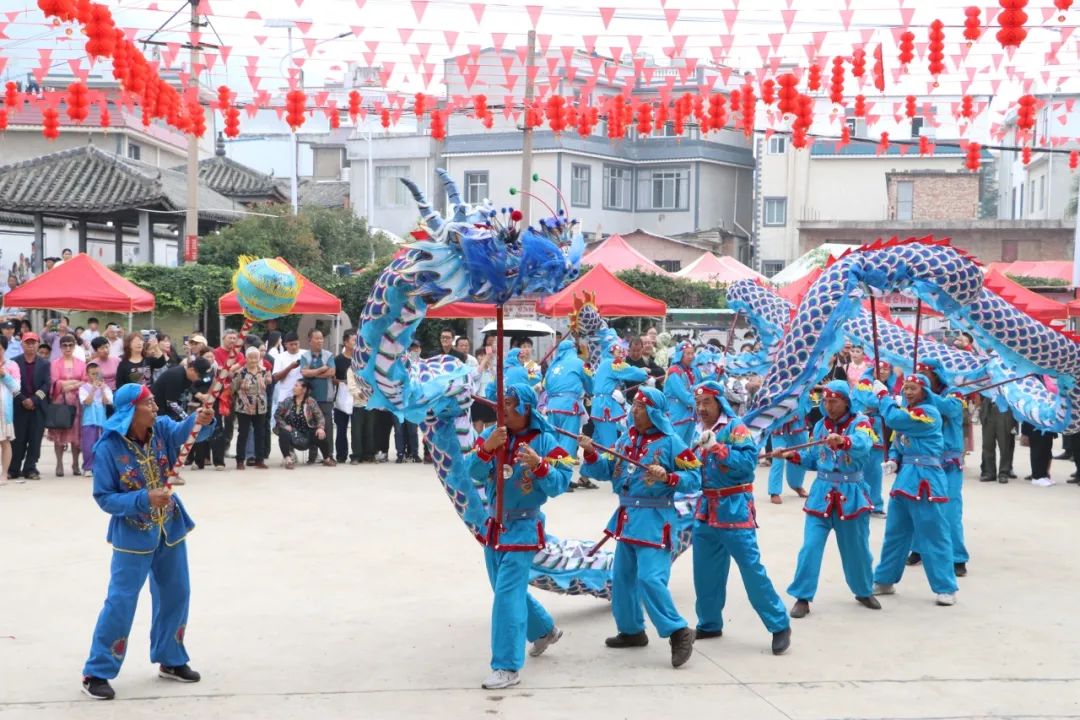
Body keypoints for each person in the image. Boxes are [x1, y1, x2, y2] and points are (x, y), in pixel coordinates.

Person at [79, 384, 216, 701]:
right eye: (149, 403)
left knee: (177, 593)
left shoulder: (162, 429)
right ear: (131, 410)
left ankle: (171, 658)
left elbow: (188, 432)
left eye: (154, 402)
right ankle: (96, 671)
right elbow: (104, 498)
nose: (155, 407)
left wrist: (202, 419)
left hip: (170, 527)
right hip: (132, 535)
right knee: (121, 601)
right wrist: (143, 498)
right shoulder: (108, 448)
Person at [579, 387, 701, 668]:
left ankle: (678, 631)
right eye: (633, 405)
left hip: (654, 520)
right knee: (622, 579)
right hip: (627, 519)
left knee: (650, 578)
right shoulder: (626, 439)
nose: (634, 411)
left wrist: (669, 477)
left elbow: (695, 477)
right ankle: (632, 630)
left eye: (640, 407)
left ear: (654, 412)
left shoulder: (672, 442)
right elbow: (607, 471)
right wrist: (591, 453)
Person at [468, 383, 572, 689]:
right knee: (503, 589)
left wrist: (540, 466)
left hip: (523, 528)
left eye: (510, 404)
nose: (503, 409)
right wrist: (487, 449)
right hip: (494, 526)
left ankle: (507, 666)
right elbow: (471, 472)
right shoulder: (493, 434)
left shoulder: (545, 440)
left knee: (506, 595)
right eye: (501, 403)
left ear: (526, 407)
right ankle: (543, 630)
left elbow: (561, 484)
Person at [691, 382, 791, 655]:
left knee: (751, 570)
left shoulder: (736, 428)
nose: (701, 408)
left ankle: (779, 624)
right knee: (704, 572)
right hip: (705, 508)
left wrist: (718, 449)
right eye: (698, 403)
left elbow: (747, 466)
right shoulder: (697, 429)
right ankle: (709, 623)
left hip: (734, 508)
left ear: (719, 403)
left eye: (707, 402)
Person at [776, 380, 879, 619]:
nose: (829, 406)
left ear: (846, 402)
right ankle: (802, 596)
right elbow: (814, 459)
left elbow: (864, 444)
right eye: (826, 401)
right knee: (810, 547)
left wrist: (844, 441)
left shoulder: (861, 422)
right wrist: (792, 456)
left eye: (834, 401)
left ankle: (863, 590)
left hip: (852, 495)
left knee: (857, 549)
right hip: (821, 495)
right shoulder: (821, 425)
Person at [869, 373, 959, 606]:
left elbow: (895, 420)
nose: (908, 392)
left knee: (933, 534)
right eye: (905, 388)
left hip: (926, 481)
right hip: (904, 481)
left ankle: (946, 587)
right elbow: (898, 441)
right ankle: (885, 580)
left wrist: (883, 396)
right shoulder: (909, 413)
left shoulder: (928, 413)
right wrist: (894, 460)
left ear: (924, 391)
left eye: (913, 388)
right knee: (895, 534)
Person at [906, 360, 970, 576]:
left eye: (926, 373)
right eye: (919, 373)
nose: (922, 377)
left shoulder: (955, 394)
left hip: (949, 461)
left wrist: (927, 394)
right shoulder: (917, 399)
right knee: (919, 505)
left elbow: (950, 409)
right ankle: (918, 548)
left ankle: (957, 557)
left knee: (950, 509)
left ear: (936, 374)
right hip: (924, 461)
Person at [589, 335, 649, 448]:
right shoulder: (612, 363)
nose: (621, 355)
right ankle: (611, 460)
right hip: (605, 405)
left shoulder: (602, 364)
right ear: (611, 352)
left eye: (622, 352)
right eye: (618, 352)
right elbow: (629, 371)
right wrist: (644, 374)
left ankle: (595, 459)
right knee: (610, 445)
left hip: (598, 405)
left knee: (598, 443)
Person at [852, 360, 894, 516]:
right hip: (863, 428)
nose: (882, 371)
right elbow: (869, 401)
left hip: (879, 429)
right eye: (879, 368)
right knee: (860, 467)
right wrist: (887, 400)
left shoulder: (887, 386)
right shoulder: (865, 382)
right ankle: (858, 503)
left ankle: (874, 504)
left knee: (875, 470)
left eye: (886, 369)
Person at [541, 339, 592, 459]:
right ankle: (564, 470)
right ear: (573, 349)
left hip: (552, 407)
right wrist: (591, 391)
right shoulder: (579, 363)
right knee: (568, 442)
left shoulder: (552, 365)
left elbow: (545, 385)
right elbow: (590, 384)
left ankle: (552, 469)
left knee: (553, 443)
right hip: (569, 407)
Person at [11, 332, 49, 481]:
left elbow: (46, 385)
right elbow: (11, 384)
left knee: (35, 439)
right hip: (19, 406)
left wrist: (34, 400)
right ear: (22, 344)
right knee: (18, 439)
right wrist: (23, 399)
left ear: (38, 344)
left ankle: (30, 468)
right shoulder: (14, 362)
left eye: (33, 343)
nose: (31, 345)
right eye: (28, 342)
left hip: (37, 407)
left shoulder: (45, 363)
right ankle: (13, 469)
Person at [49, 334, 87, 476]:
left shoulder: (81, 364)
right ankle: (59, 463)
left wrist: (68, 384)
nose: (68, 348)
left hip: (76, 403)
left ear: (74, 346)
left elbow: (85, 381)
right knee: (59, 432)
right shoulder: (55, 363)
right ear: (60, 347)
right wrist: (74, 383)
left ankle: (75, 464)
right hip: (60, 401)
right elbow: (55, 382)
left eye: (70, 345)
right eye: (64, 345)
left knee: (76, 434)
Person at [274, 380, 332, 469]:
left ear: (304, 389)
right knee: (283, 432)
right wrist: (284, 425)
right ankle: (288, 459)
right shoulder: (288, 401)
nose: (293, 388)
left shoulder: (311, 401)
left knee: (321, 433)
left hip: (307, 432)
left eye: (296, 386)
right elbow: (277, 415)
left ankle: (327, 459)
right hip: (292, 432)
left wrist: (320, 428)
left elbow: (320, 417)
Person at [299, 329, 336, 464]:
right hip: (310, 398)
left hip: (326, 397)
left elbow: (331, 372)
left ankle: (329, 455)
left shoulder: (328, 355)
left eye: (321, 338)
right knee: (311, 426)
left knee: (327, 427)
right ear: (310, 340)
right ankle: (312, 456)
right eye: (317, 338)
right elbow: (304, 372)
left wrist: (313, 374)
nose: (320, 341)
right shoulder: (305, 356)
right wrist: (321, 370)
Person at [232, 347, 271, 470]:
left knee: (260, 433)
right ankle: (240, 460)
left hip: (260, 406)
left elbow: (267, 385)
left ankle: (260, 459)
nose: (253, 360)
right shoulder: (241, 372)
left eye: (256, 357)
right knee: (243, 433)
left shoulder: (264, 371)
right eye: (251, 357)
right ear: (246, 358)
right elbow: (233, 388)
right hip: (244, 406)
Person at [78, 362, 113, 473]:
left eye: (97, 373)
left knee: (102, 445)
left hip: (101, 420)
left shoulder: (105, 387)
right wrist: (93, 389)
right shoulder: (83, 388)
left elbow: (107, 402)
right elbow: (87, 402)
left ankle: (101, 468)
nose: (95, 376)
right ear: (87, 375)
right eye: (92, 374)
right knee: (88, 445)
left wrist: (102, 390)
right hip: (89, 420)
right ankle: (88, 467)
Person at [664, 341, 698, 446]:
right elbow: (682, 394)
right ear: (680, 355)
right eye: (688, 353)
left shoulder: (691, 370)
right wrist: (699, 403)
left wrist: (718, 371)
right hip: (677, 412)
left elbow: (702, 384)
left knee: (688, 445)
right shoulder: (674, 371)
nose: (691, 356)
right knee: (676, 443)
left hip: (690, 413)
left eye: (692, 353)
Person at [979, 396, 1017, 483]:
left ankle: (1003, 473)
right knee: (987, 444)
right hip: (988, 410)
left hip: (1004, 411)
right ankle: (989, 472)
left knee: (1004, 445)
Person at [334, 330, 358, 464]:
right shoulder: (338, 360)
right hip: (342, 397)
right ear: (346, 342)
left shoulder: (360, 359)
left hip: (358, 398)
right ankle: (341, 455)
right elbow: (333, 379)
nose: (356, 342)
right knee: (341, 428)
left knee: (357, 428)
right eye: (354, 340)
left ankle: (356, 454)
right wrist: (343, 382)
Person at [0, 336, 19, 484]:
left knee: (5, 442)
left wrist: (4, 375)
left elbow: (17, 388)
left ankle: (4, 474)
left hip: (4, 410)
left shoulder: (12, 365)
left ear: (4, 349)